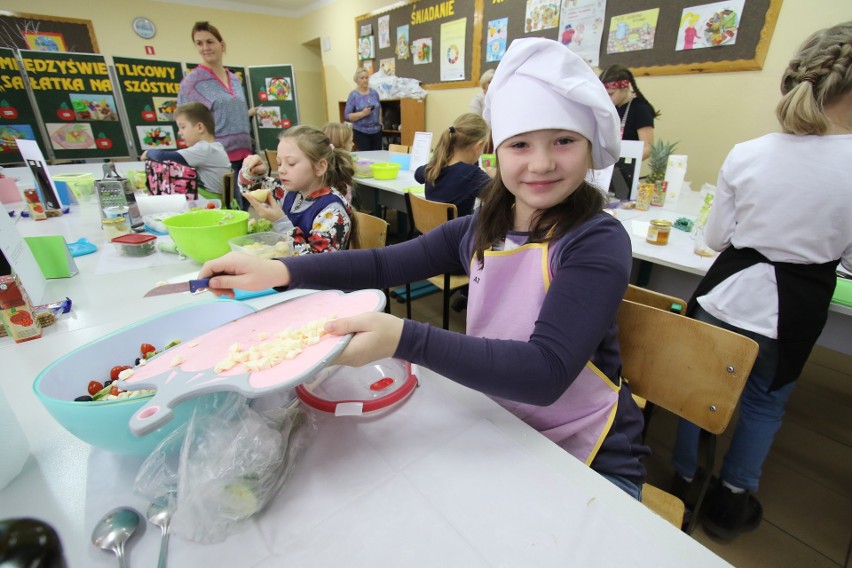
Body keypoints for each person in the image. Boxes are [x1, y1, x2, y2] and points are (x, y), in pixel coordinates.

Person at [200, 38, 650, 499]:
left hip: (586, 455)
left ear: (589, 146)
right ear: (496, 151)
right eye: (521, 144)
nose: (541, 162)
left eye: (563, 140)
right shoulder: (482, 227)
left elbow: (545, 372)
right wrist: (280, 272)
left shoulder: (595, 240)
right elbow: (382, 262)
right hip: (498, 422)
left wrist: (404, 338)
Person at [670, 21, 852, 541]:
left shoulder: (747, 152)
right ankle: (731, 501)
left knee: (695, 391)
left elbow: (718, 235)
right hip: (794, 308)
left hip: (724, 294)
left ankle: (682, 481)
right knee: (764, 402)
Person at [239, 125, 355, 255]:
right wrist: (252, 172)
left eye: (291, 163)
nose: (281, 170)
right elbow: (251, 189)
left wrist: (280, 221)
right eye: (279, 163)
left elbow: (314, 265)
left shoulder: (333, 213)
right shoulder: (291, 192)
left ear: (320, 167)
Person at [178, 22, 256, 191]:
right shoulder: (192, 83)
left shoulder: (235, 79)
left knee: (247, 206)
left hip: (245, 156)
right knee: (230, 212)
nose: (205, 47)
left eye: (210, 41)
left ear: (221, 44)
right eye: (199, 43)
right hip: (218, 160)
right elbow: (185, 124)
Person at [141, 102, 230, 197]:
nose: (179, 132)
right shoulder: (215, 147)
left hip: (212, 205)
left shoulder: (204, 149)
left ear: (199, 127)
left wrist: (148, 152)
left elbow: (161, 157)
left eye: (183, 127)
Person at [414, 112, 492, 217]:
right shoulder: (472, 175)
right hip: (459, 233)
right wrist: (494, 176)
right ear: (478, 146)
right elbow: (500, 196)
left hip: (432, 231)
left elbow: (417, 175)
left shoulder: (435, 166)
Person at [344, 68, 383, 151]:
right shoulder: (353, 95)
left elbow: (379, 108)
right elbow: (347, 116)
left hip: (376, 132)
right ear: (357, 80)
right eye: (362, 78)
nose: (365, 80)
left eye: (366, 78)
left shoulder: (374, 93)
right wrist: (363, 113)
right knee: (367, 158)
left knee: (378, 156)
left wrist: (380, 121)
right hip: (361, 132)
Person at [322, 122, 355, 204]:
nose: (353, 144)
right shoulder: (343, 168)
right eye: (350, 142)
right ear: (342, 145)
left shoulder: (320, 166)